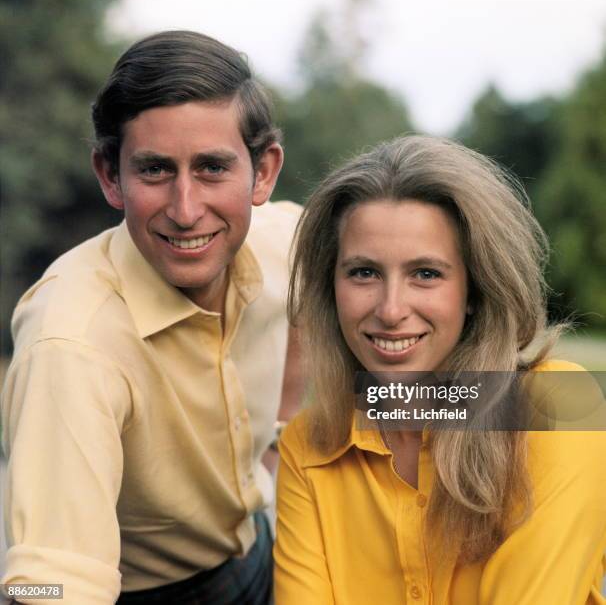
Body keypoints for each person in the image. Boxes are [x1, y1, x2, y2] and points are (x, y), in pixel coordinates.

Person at [1, 30, 303, 604]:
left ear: (263, 172)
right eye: (156, 171)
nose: (186, 211)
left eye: (212, 168)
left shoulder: (284, 242)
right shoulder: (70, 342)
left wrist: (285, 435)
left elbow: (347, 313)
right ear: (111, 176)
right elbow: (50, 586)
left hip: (266, 546)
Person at [274, 136, 606, 604]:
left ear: (475, 289)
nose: (391, 310)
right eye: (364, 272)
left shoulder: (561, 405)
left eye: (426, 274)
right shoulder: (308, 445)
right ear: (332, 288)